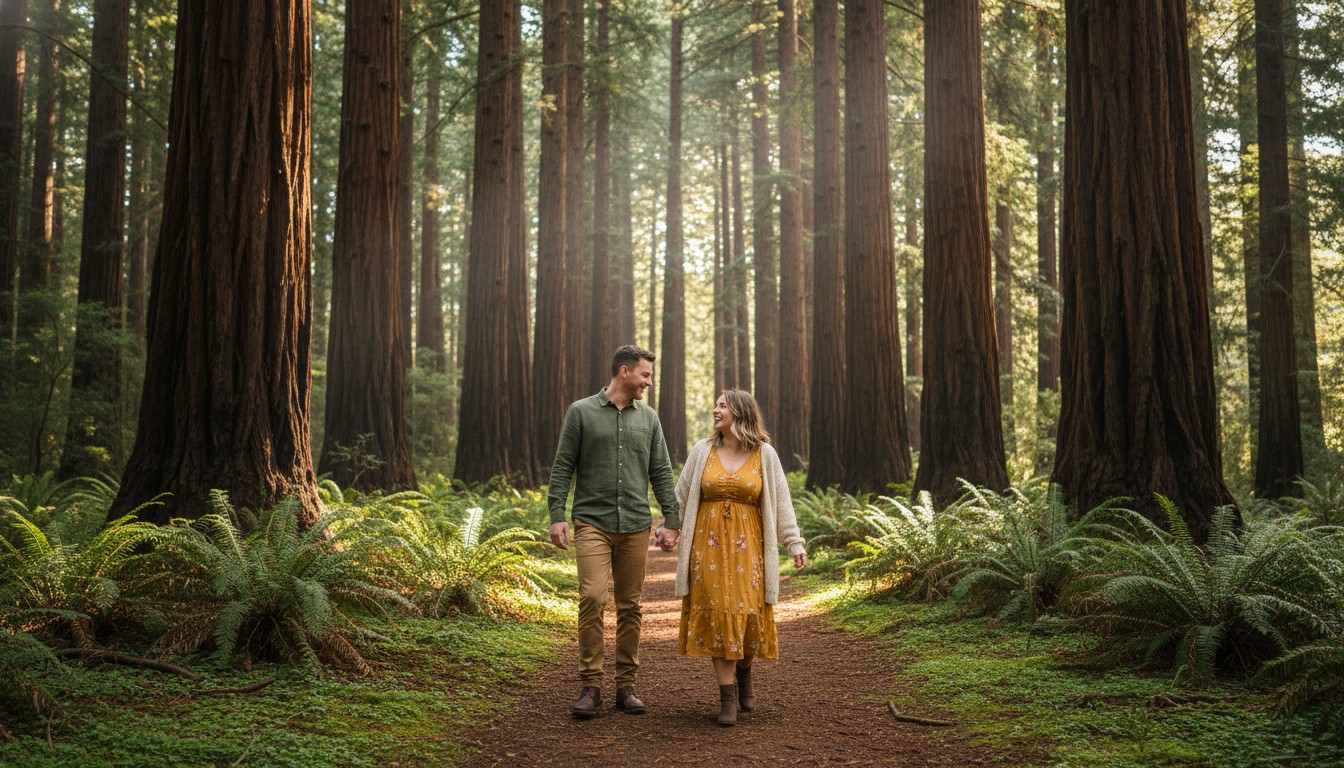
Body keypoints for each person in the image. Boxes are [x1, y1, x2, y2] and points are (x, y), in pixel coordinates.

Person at [547, 345, 682, 719]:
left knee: (631, 606)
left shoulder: (649, 419)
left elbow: (661, 472)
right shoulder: (581, 412)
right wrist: (557, 514)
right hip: (592, 521)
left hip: (636, 524)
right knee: (592, 597)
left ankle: (626, 687)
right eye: (645, 375)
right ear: (624, 372)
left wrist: (672, 519)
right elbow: (562, 467)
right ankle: (591, 686)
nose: (648, 383)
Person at [669, 389, 807, 726]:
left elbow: (781, 502)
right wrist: (669, 529)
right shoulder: (702, 451)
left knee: (746, 613)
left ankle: (744, 670)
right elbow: (682, 495)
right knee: (717, 613)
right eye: (715, 404)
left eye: (722, 405)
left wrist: (794, 542)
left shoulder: (765, 454)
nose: (715, 410)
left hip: (750, 551)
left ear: (740, 412)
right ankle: (726, 696)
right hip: (707, 548)